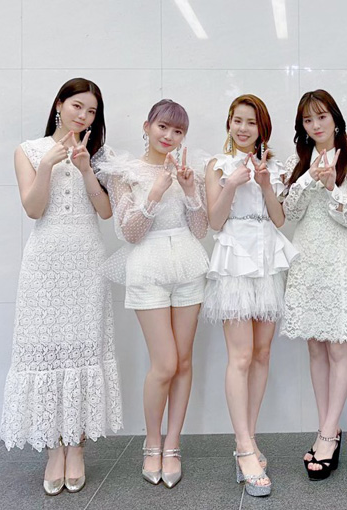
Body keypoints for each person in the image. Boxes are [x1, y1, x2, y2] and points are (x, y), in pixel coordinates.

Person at [0, 78, 122, 496]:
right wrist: (48, 165)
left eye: (91, 111)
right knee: (46, 352)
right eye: (77, 106)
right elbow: (34, 209)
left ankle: (77, 447)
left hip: (86, 262)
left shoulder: (100, 155)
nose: (83, 116)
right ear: (59, 105)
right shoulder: (28, 151)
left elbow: (105, 213)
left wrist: (86, 169)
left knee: (84, 348)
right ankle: (55, 449)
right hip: (45, 264)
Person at [98, 99, 209, 489]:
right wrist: (156, 192)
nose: (169, 136)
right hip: (147, 268)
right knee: (164, 364)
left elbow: (201, 230)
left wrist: (190, 189)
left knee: (183, 361)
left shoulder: (186, 172)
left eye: (178, 131)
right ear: (147, 127)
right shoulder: (124, 172)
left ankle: (173, 444)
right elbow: (128, 233)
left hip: (188, 266)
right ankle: (152, 442)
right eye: (163, 127)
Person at [203, 94, 298, 497]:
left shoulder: (275, 167)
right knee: (240, 357)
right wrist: (231, 184)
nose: (243, 128)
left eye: (251, 122)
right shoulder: (216, 165)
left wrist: (263, 183)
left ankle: (250, 438)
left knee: (262, 354)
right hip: (234, 263)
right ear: (229, 123)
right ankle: (243, 448)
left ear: (262, 129)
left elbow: (279, 219)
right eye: (237, 120)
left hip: (267, 261)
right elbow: (214, 221)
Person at [281, 90, 347, 480]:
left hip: (339, 258)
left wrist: (333, 185)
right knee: (315, 347)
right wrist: (307, 180)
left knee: (338, 346)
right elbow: (289, 213)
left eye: (321, 117)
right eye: (308, 120)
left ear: (336, 119)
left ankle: (330, 432)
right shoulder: (296, 162)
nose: (315, 125)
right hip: (305, 257)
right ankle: (325, 426)